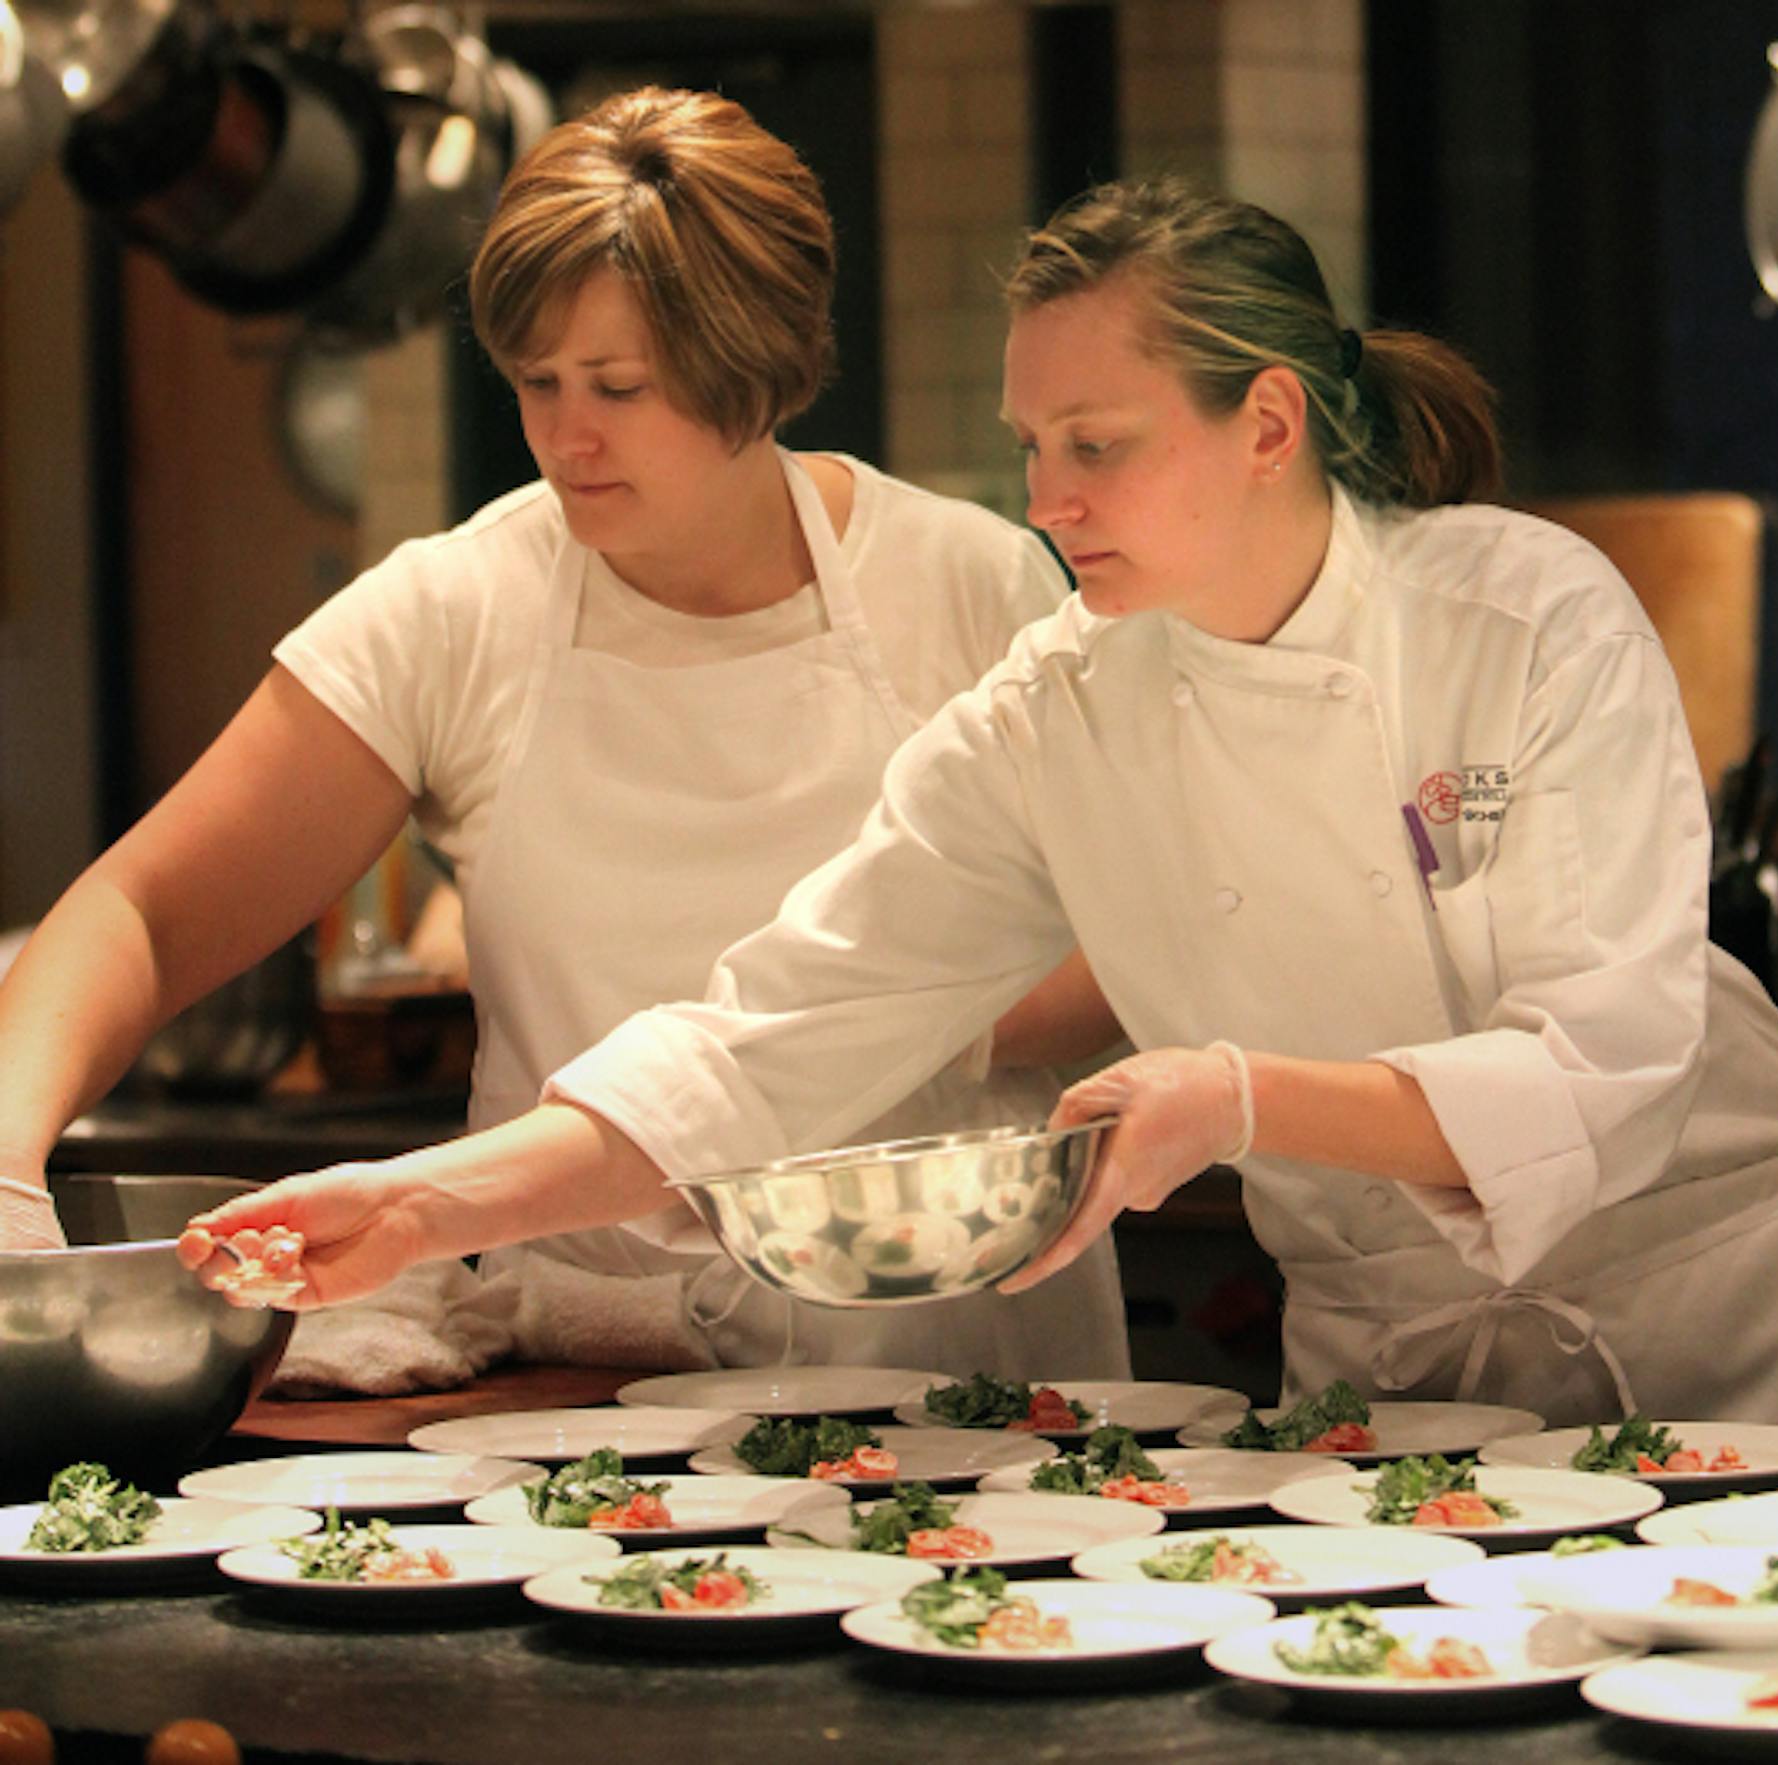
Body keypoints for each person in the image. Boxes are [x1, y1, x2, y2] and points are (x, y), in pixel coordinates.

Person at [182, 174, 1778, 1451]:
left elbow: (1606, 1060)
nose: (1047, 499)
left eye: (1095, 444)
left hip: (1737, 1339)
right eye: (1031, 447)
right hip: (1417, 1405)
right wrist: (425, 1205)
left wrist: (1240, 1095)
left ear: (1267, 422)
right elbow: (767, 1037)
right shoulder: (1058, 711)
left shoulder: (1526, 617)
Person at [2, 87, 1130, 1383]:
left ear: (755, 371)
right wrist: (4, 1158)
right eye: (537, 381)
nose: (564, 435)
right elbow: (139, 913)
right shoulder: (461, 608)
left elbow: (1130, 949)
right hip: (583, 1380)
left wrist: (866, 1030)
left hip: (945, 1356)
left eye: (619, 386)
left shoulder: (972, 586)